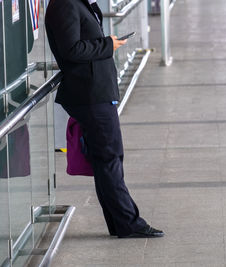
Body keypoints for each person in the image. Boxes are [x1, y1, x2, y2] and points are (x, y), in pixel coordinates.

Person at [45, 0, 164, 238]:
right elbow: (72, 50)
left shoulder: (78, 3)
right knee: (109, 158)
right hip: (89, 94)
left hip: (95, 92)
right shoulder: (65, 5)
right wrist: (108, 44)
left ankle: (120, 223)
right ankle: (128, 223)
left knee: (106, 160)